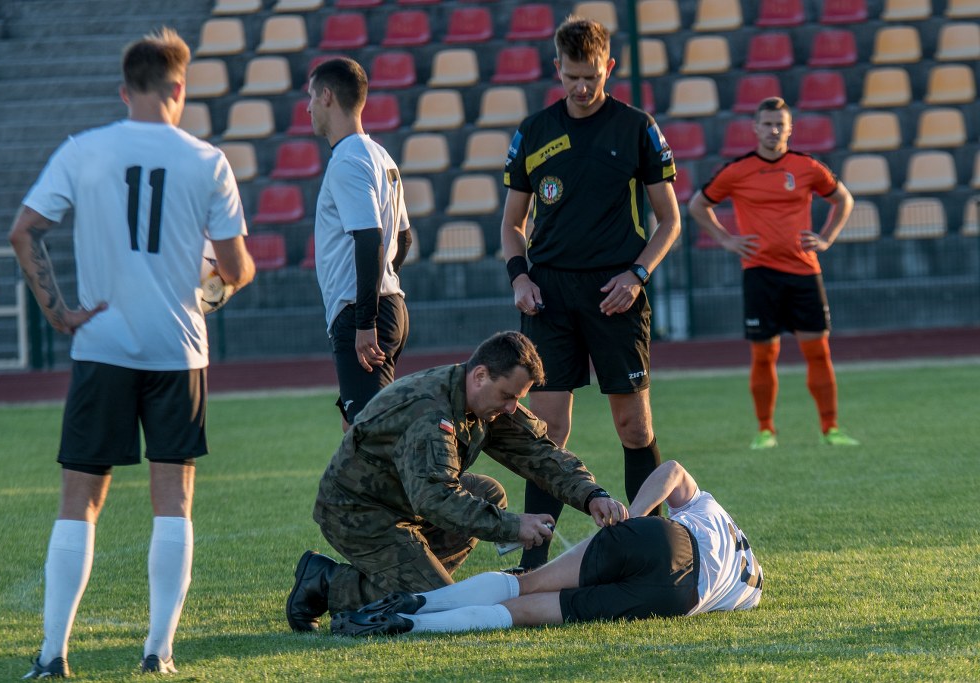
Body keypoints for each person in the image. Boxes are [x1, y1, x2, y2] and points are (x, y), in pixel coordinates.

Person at [9, 28, 255, 678]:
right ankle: (158, 652)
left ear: (124, 91)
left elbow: (24, 230)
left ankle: (53, 653)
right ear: (180, 88)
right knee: (172, 496)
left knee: (79, 499)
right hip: (178, 347)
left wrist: (58, 312)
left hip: (102, 346)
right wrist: (223, 275)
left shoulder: (83, 150)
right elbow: (234, 267)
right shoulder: (207, 161)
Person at [285, 331, 629, 631]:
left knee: (487, 494)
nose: (512, 408)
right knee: (437, 604)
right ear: (480, 375)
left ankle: (411, 575)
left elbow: (539, 453)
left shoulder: (483, 397)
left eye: (517, 399)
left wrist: (592, 495)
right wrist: (513, 526)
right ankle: (327, 582)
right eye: (509, 396)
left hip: (402, 499)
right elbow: (435, 499)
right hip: (358, 512)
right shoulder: (429, 412)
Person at [499, 16, 682, 572]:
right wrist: (520, 277)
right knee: (548, 430)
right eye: (572, 76)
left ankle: (653, 551)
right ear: (557, 68)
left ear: (610, 68)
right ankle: (535, 563)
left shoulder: (636, 128)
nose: (581, 87)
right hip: (550, 296)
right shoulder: (533, 132)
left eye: (591, 76)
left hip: (615, 293)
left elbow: (669, 221)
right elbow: (512, 224)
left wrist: (637, 276)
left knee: (635, 427)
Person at [330, 459, 762, 635]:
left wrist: (635, 515)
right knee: (528, 612)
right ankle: (412, 627)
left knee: (528, 584)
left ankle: (415, 603)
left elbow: (671, 470)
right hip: (680, 597)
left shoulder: (714, 515)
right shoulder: (752, 590)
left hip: (664, 538)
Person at [688, 97, 859, 450]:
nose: (773, 130)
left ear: (790, 128)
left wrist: (826, 238)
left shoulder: (807, 166)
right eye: (767, 124)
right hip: (760, 273)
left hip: (803, 273)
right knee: (764, 354)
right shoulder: (737, 171)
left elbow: (844, 199)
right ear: (755, 128)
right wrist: (727, 240)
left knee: (819, 352)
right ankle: (765, 430)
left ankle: (831, 429)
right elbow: (696, 205)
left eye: (780, 124)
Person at [308, 57, 413, 431]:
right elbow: (404, 237)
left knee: (376, 437)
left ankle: (456, 489)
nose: (307, 108)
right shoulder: (379, 154)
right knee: (354, 428)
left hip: (362, 314)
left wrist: (365, 319)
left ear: (326, 97)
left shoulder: (348, 160)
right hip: (385, 306)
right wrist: (386, 283)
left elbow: (370, 239)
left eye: (310, 97)